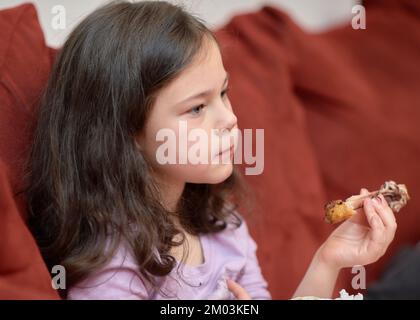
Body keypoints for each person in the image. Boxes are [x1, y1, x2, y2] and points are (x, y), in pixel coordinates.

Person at [26, 1, 397, 300]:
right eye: (197, 108)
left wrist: (327, 261)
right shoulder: (114, 268)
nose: (230, 120)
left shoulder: (223, 223)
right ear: (125, 132)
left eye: (223, 93)